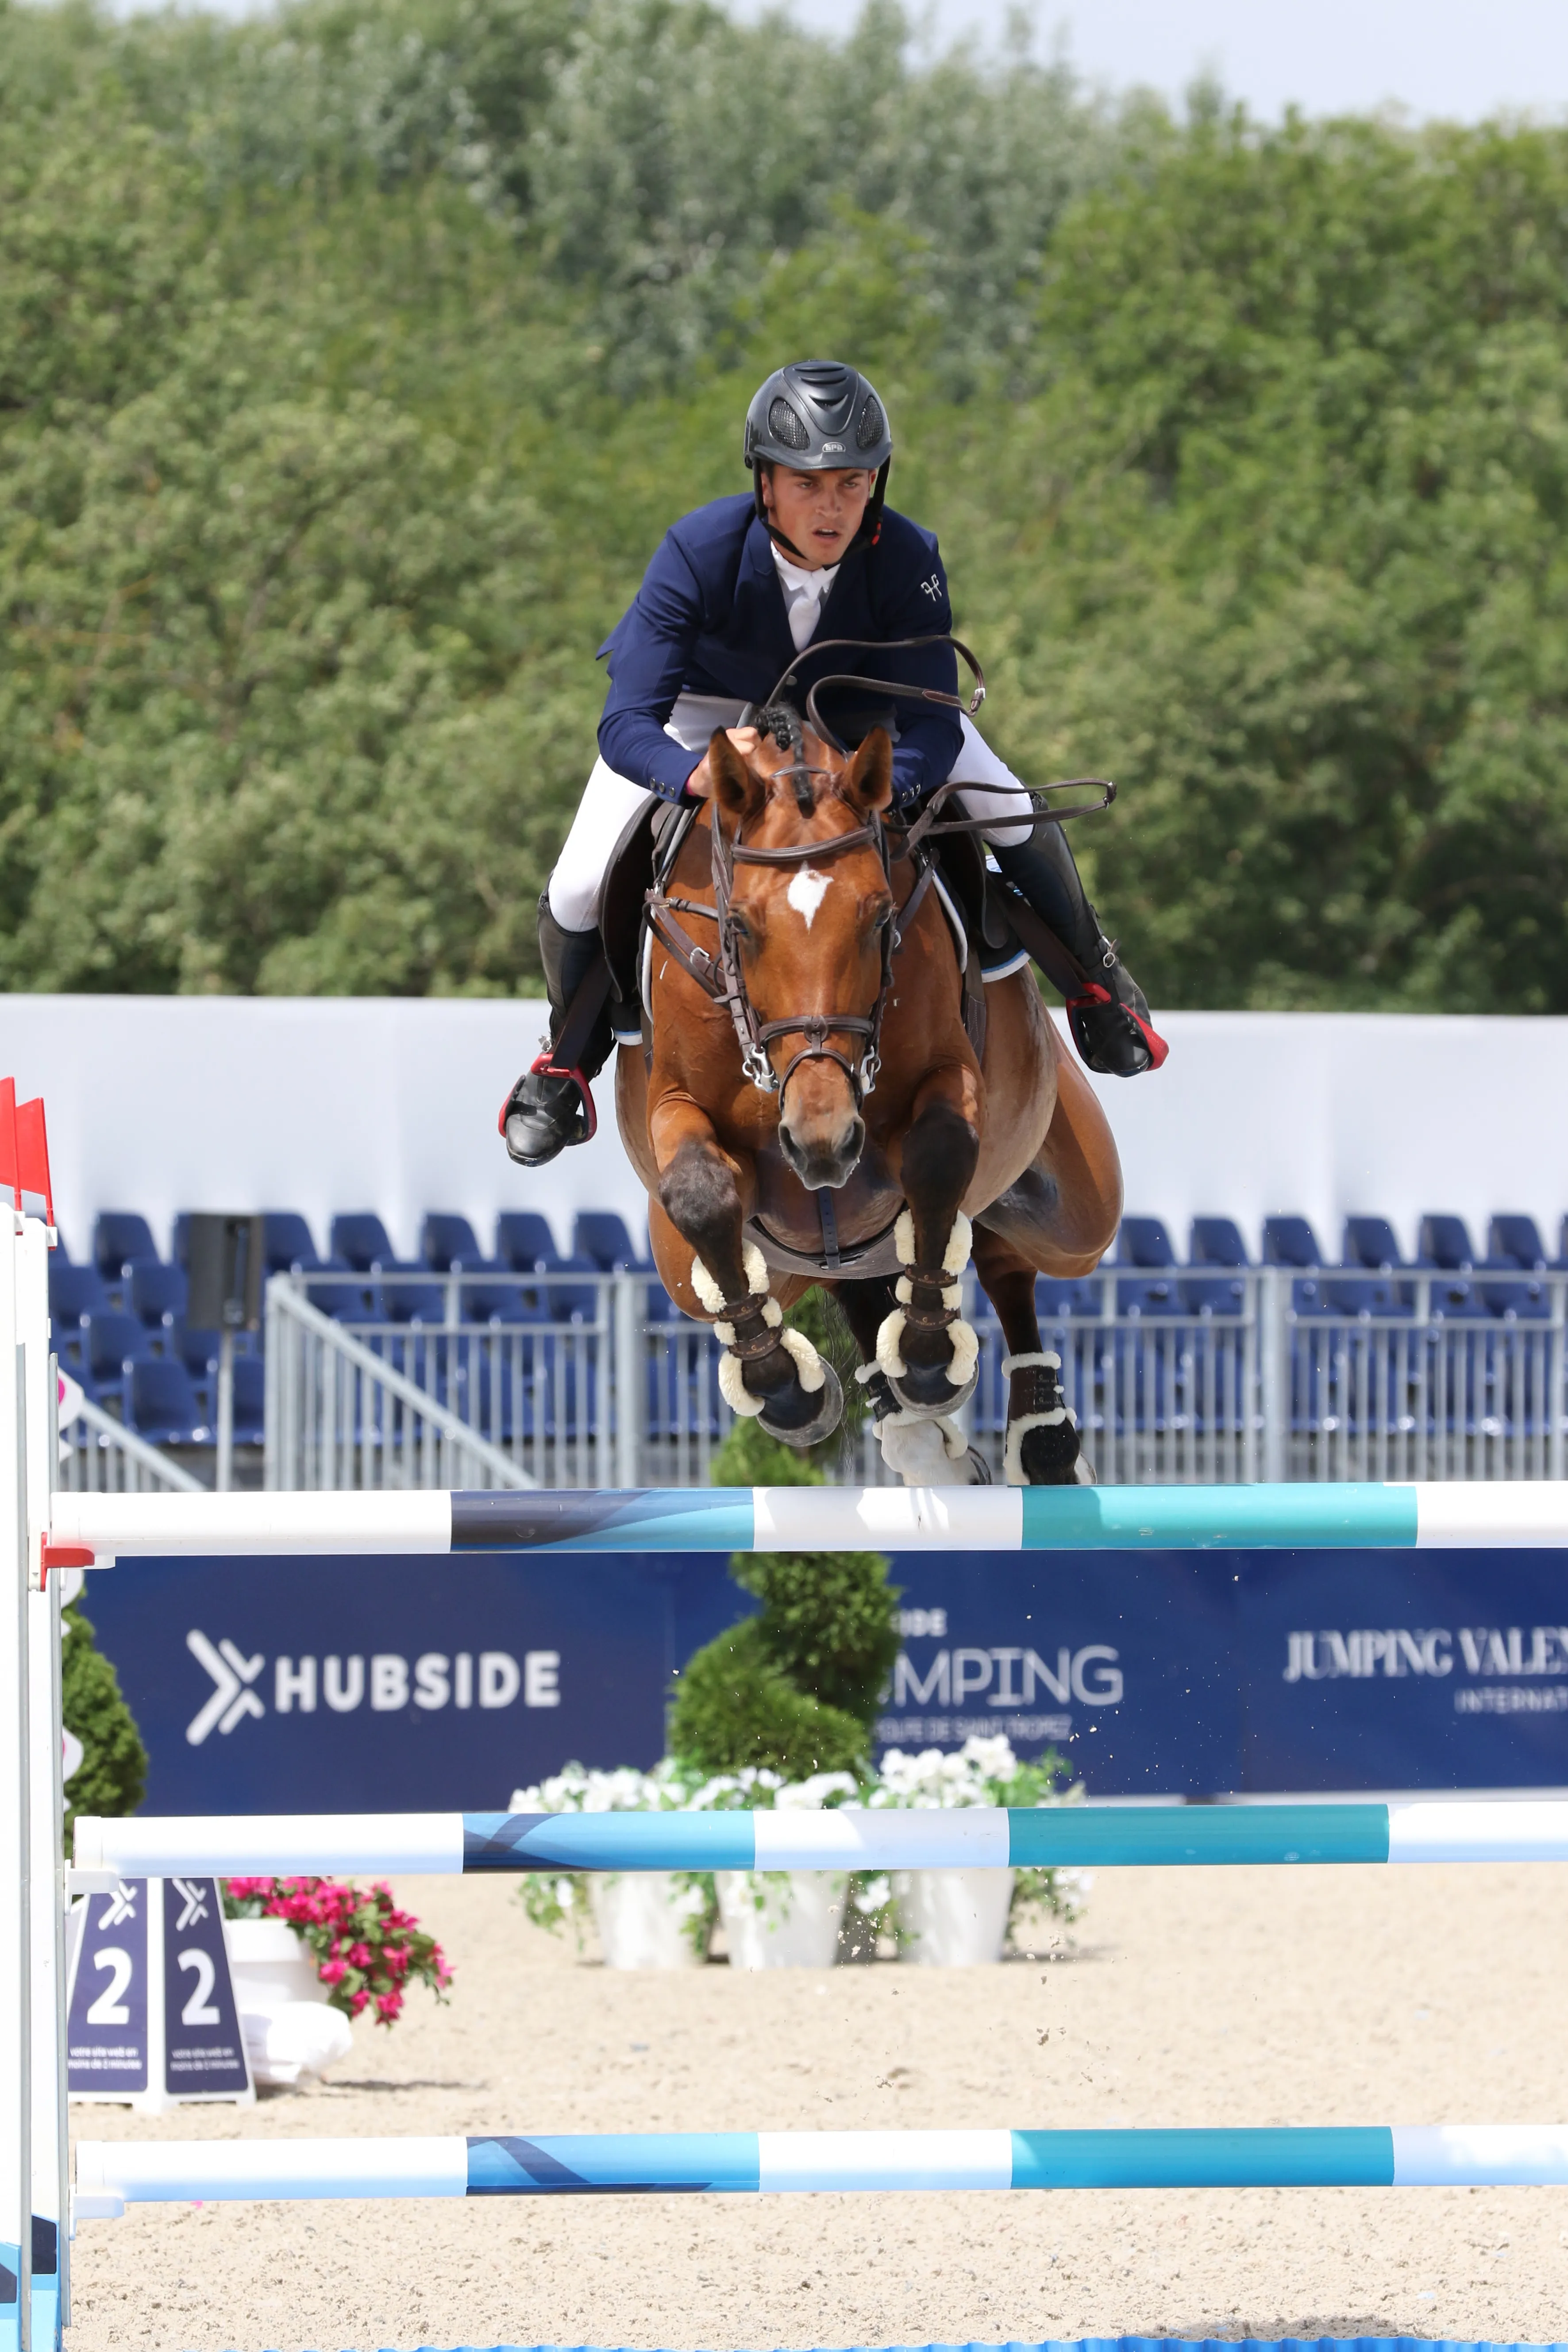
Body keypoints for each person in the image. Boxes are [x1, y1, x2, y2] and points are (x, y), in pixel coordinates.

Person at [504, 358, 1164, 1167]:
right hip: (709, 718)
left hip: (858, 721)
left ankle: (1100, 986)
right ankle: (564, 1062)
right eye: (808, 484)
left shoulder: (907, 554)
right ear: (767, 485)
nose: (832, 507)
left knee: (1009, 805)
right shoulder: (697, 549)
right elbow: (625, 723)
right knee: (577, 882)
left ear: (875, 483)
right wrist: (696, 776)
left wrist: (883, 792)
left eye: (851, 483)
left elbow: (933, 720)